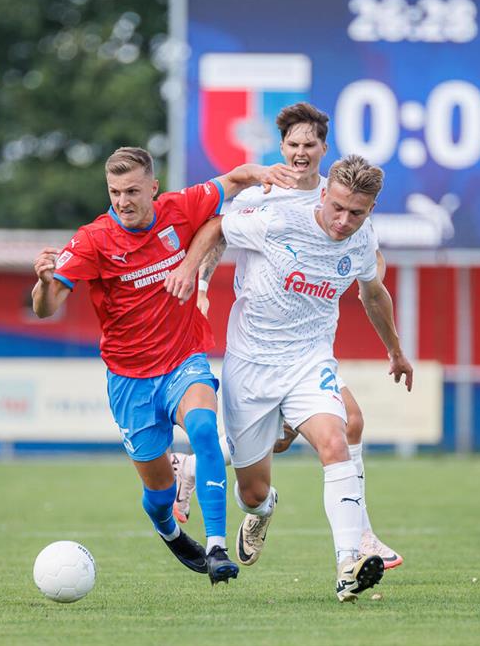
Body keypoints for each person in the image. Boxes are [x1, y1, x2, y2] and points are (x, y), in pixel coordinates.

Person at [32, 147, 297, 585]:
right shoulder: (93, 240)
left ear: (153, 188)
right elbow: (46, 308)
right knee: (159, 493)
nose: (123, 201)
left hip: (183, 360)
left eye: (132, 191)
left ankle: (216, 548)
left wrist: (263, 172)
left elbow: (233, 181)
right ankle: (168, 530)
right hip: (130, 380)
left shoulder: (180, 208)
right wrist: (43, 284)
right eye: (115, 192)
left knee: (204, 431)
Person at [171, 153, 413, 602]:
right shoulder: (277, 221)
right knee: (252, 492)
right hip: (251, 365)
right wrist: (192, 275)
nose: (343, 221)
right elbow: (217, 226)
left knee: (337, 439)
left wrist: (396, 351)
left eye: (356, 213)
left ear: (371, 211)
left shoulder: (362, 241)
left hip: (309, 362)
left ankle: (349, 564)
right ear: (324, 195)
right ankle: (262, 509)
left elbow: (373, 293)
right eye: (337, 207)